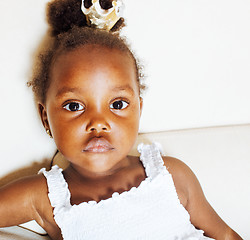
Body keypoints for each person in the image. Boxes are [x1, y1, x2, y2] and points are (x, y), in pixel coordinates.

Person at [0, 0, 243, 239]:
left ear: (139, 109)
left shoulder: (171, 174)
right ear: (46, 118)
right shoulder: (44, 196)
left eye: (117, 104)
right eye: (74, 106)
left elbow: (226, 234)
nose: (98, 122)